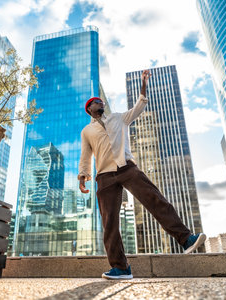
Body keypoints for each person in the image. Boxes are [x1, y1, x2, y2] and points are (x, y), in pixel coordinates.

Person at [78, 70, 206, 280]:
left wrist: (143, 85)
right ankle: (120, 268)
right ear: (90, 109)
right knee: (109, 222)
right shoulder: (87, 131)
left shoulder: (119, 118)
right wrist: (83, 177)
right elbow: (85, 155)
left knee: (155, 199)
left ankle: (186, 239)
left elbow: (139, 107)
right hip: (104, 176)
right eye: (96, 102)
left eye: (101, 101)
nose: (100, 102)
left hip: (127, 168)